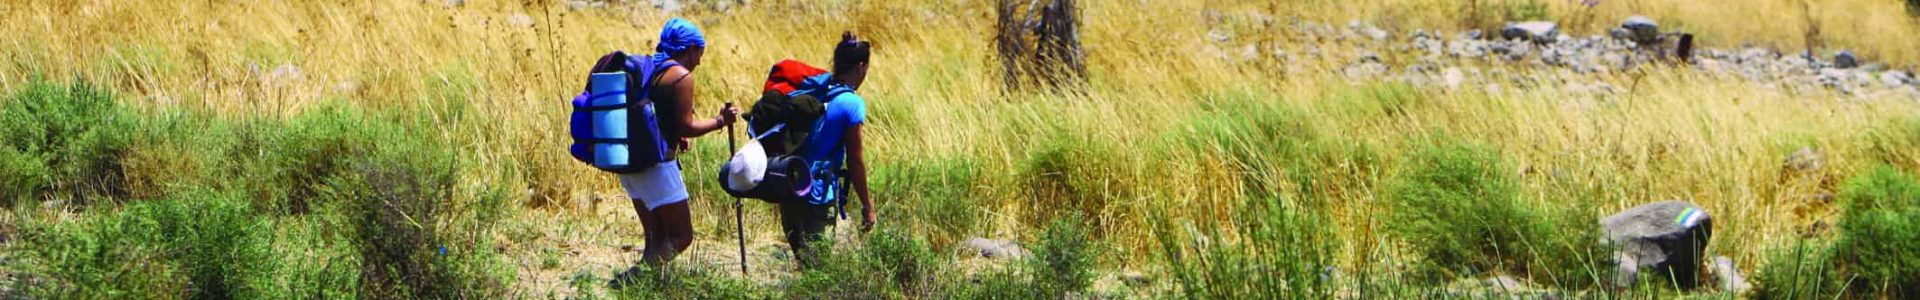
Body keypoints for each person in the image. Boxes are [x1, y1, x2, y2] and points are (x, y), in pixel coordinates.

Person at [617, 18, 740, 278]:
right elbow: (688, 127)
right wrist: (721, 121)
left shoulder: (649, 69)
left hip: (629, 165)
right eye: (700, 53)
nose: (699, 61)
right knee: (682, 236)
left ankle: (645, 288)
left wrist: (674, 134)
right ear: (691, 48)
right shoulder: (681, 77)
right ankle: (633, 279)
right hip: (657, 168)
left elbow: (654, 117)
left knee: (656, 236)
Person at [781, 32, 876, 269]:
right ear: (861, 66)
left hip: (789, 187)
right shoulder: (851, 103)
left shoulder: (814, 91)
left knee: (805, 266)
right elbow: (855, 160)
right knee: (819, 271)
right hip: (818, 193)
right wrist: (868, 206)